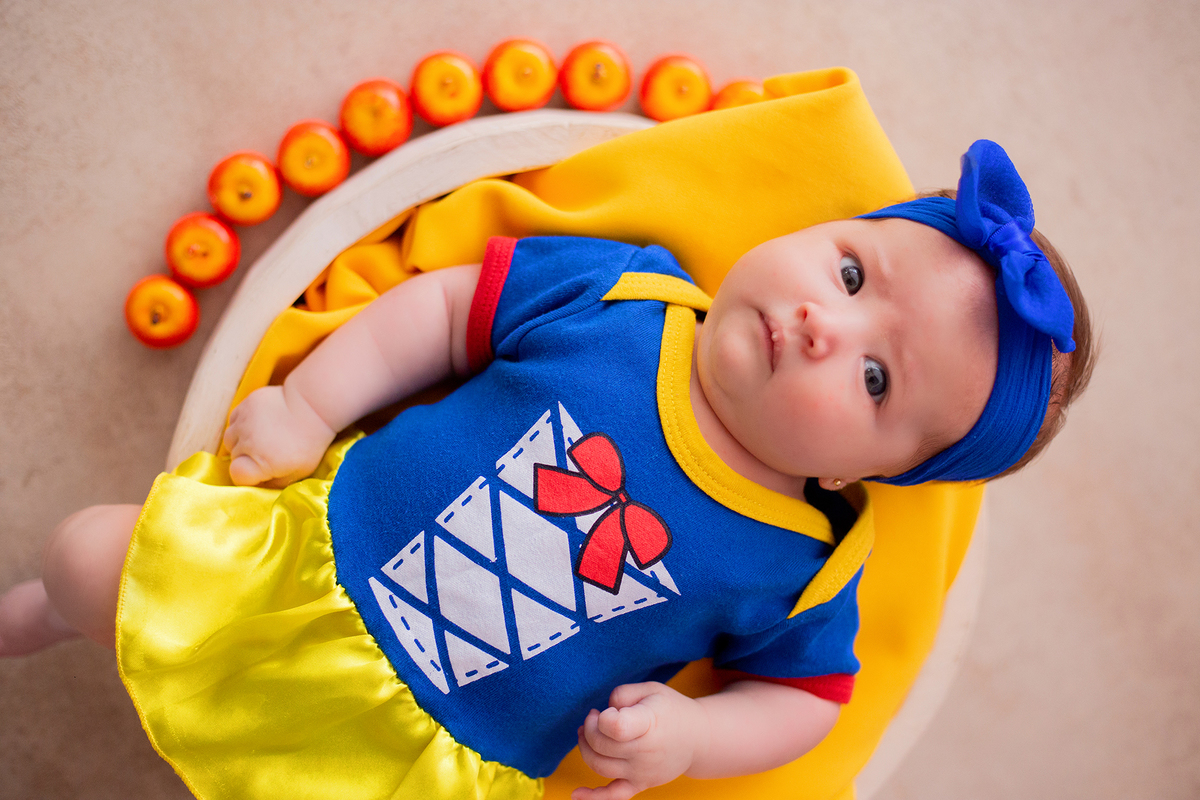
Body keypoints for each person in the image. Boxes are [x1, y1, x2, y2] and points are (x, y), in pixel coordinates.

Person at [0, 140, 1094, 800]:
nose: (821, 323)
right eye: (851, 269)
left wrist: (694, 737)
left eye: (874, 381)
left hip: (435, 757)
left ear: (891, 470)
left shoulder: (803, 554)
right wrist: (310, 402)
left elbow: (809, 696)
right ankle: (44, 608)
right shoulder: (626, 300)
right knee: (96, 555)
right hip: (306, 569)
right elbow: (439, 312)